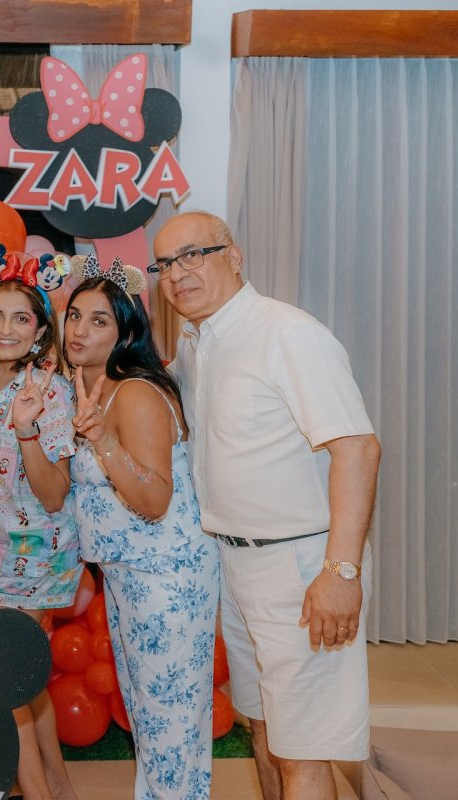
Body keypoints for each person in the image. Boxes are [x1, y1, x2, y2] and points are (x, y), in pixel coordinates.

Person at [154, 211, 380, 800]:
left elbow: (357, 448)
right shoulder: (197, 344)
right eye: (165, 264)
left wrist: (341, 572)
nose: (176, 274)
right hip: (235, 562)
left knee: (303, 749)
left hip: (303, 567)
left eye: (192, 255)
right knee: (264, 728)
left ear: (234, 256)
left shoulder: (288, 334)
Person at [63, 257, 219, 799]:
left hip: (165, 579)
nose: (80, 330)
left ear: (126, 332)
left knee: (169, 728)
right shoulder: (98, 387)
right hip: (128, 577)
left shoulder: (134, 392)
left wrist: (101, 440)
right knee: (152, 722)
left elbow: (154, 499)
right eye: (75, 315)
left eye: (99, 320)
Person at [0, 266, 81, 800]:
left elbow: (54, 494)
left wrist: (26, 428)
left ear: (40, 330)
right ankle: (58, 786)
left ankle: (36, 792)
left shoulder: (49, 391)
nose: (6, 329)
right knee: (26, 682)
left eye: (20, 319)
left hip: (38, 555)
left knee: (5, 679)